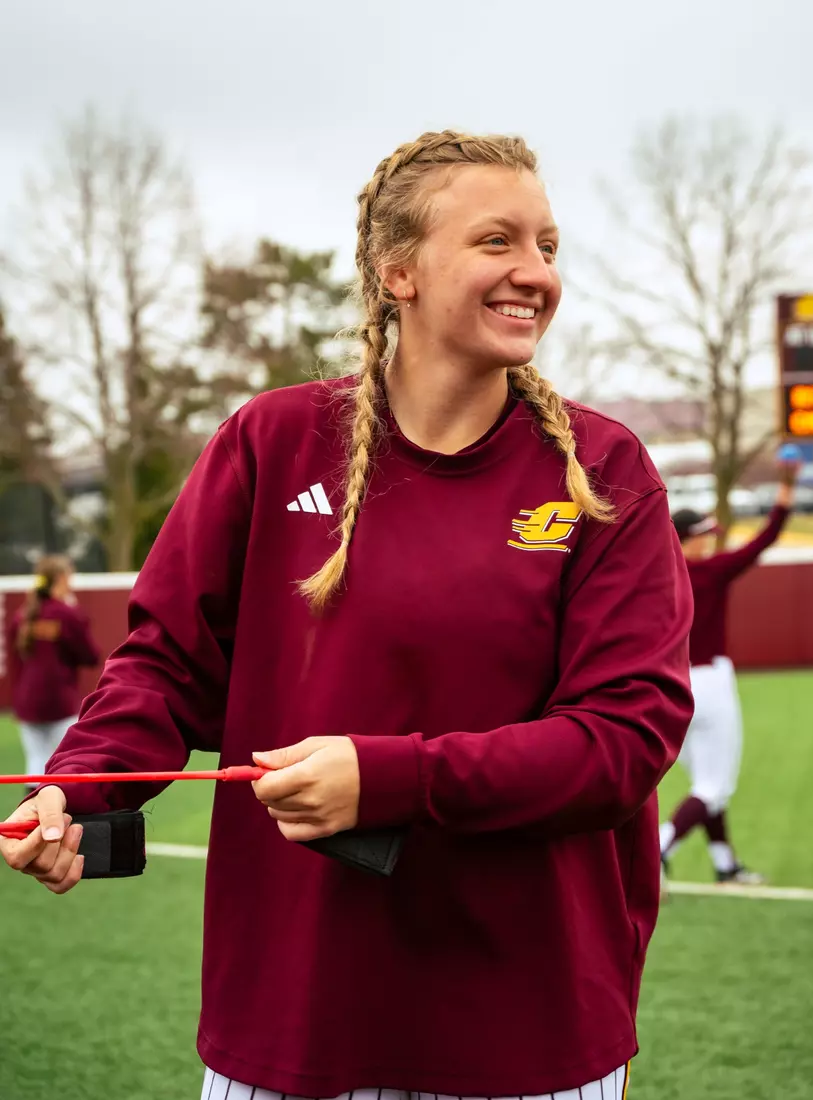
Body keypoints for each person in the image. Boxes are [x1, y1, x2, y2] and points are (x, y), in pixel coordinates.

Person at [0, 131, 694, 1100]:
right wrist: (79, 788)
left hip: (525, 1021)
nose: (534, 272)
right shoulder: (268, 441)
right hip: (293, 1012)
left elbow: (625, 737)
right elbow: (164, 663)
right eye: (498, 241)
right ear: (395, 270)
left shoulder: (605, 469)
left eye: (547, 245)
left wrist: (391, 776)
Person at [661, 460, 799, 889]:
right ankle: (658, 848)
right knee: (714, 787)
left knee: (708, 783)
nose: (709, 543)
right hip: (711, 685)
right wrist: (786, 489)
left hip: (673, 689)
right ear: (686, 540)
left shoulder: (655, 576)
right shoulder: (711, 571)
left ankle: (725, 865)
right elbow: (767, 538)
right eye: (703, 537)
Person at [6, 555, 100, 792]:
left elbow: (16, 660)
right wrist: (76, 610)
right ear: (60, 578)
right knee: (69, 761)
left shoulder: (23, 615)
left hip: (28, 701)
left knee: (36, 760)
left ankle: (31, 817)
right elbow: (90, 655)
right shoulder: (66, 614)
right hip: (60, 700)